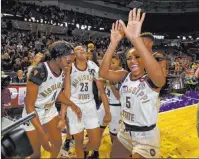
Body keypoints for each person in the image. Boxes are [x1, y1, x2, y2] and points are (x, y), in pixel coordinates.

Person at [99, 8, 165, 158]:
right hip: (125, 131)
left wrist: (135, 39)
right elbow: (102, 73)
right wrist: (113, 43)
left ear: (144, 59)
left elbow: (160, 79)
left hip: (146, 136)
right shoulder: (124, 75)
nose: (133, 61)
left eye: (137, 57)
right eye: (129, 58)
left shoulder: (151, 79)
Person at [22, 41, 82, 158]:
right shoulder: (39, 72)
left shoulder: (63, 70)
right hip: (33, 113)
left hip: (49, 110)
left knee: (57, 143)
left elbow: (57, 92)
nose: (70, 65)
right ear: (57, 58)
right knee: (35, 153)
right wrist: (42, 132)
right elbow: (29, 106)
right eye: (69, 62)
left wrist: (73, 105)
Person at [60, 45, 111, 158]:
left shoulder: (92, 66)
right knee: (78, 140)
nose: (82, 49)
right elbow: (66, 93)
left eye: (83, 48)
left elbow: (101, 91)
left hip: (90, 106)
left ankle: (82, 152)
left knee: (95, 141)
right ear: (73, 55)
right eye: (78, 49)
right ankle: (80, 155)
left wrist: (107, 112)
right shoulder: (70, 68)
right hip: (74, 107)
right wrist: (62, 116)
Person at [90, 55, 122, 158]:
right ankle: (95, 152)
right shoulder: (106, 73)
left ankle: (117, 154)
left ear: (119, 62)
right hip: (105, 105)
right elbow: (101, 94)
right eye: (110, 63)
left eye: (113, 63)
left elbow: (118, 96)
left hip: (116, 107)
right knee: (97, 131)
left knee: (114, 136)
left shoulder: (122, 75)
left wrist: (110, 82)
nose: (111, 65)